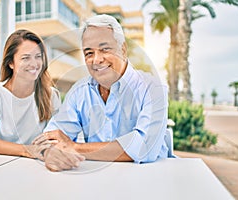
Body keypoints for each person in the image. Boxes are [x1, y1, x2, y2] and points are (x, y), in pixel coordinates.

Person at [33, 14, 169, 171]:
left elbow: (144, 147)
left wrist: (74, 147)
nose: (96, 60)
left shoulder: (153, 88)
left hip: (149, 178)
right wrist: (51, 152)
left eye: (105, 49)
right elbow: (50, 136)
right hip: (94, 179)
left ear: (123, 50)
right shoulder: (79, 91)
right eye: (89, 53)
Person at [0, 29, 62, 159]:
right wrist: (29, 151)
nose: (34, 64)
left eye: (38, 56)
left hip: (31, 166)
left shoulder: (51, 95)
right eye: (26, 58)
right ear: (10, 63)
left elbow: (57, 137)